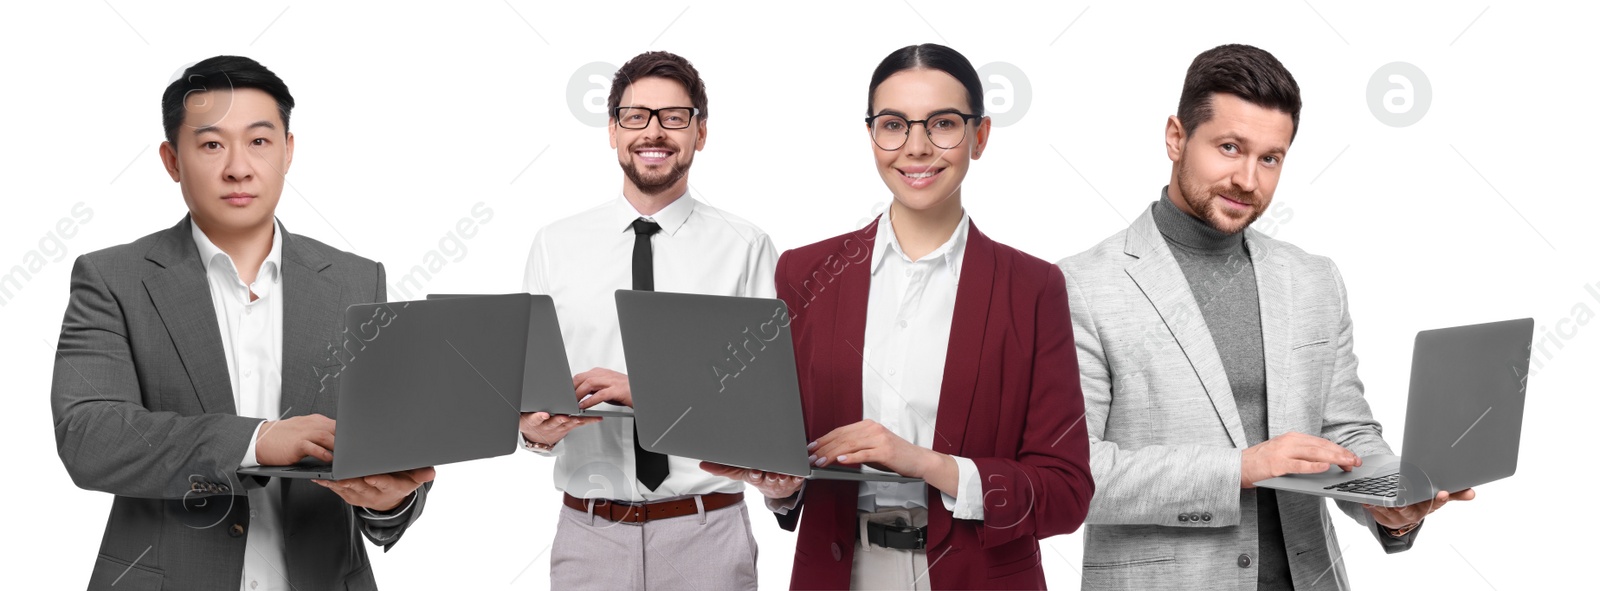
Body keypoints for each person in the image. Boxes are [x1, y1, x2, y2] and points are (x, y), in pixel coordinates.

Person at [1058, 44, 1474, 590]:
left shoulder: (1312, 279)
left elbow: (1344, 431)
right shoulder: (1081, 285)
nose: (1248, 180)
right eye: (1230, 148)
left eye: (1270, 158)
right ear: (1176, 137)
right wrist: (1242, 468)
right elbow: (1073, 475)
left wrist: (1389, 501)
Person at [705, 43, 1093, 590]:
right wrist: (780, 486)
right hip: (839, 571)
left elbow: (1066, 492)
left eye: (943, 124)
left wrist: (925, 463)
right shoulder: (806, 273)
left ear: (979, 138)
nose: (916, 148)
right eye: (893, 125)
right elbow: (795, 455)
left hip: (976, 575)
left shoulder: (1031, 288)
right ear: (871, 136)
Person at [50, 56, 432, 591]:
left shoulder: (357, 282)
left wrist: (393, 500)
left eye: (259, 141)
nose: (238, 167)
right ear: (171, 159)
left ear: (288, 151)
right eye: (211, 144)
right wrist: (258, 441)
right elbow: (90, 437)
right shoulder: (112, 279)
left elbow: (386, 443)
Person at [515, 50, 778, 590]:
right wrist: (535, 433)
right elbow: (527, 395)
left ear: (700, 132)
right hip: (590, 536)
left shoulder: (746, 247)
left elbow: (765, 412)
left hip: (707, 531)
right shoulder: (555, 246)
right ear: (612, 130)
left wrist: (651, 392)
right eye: (636, 116)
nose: (653, 132)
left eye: (674, 117)